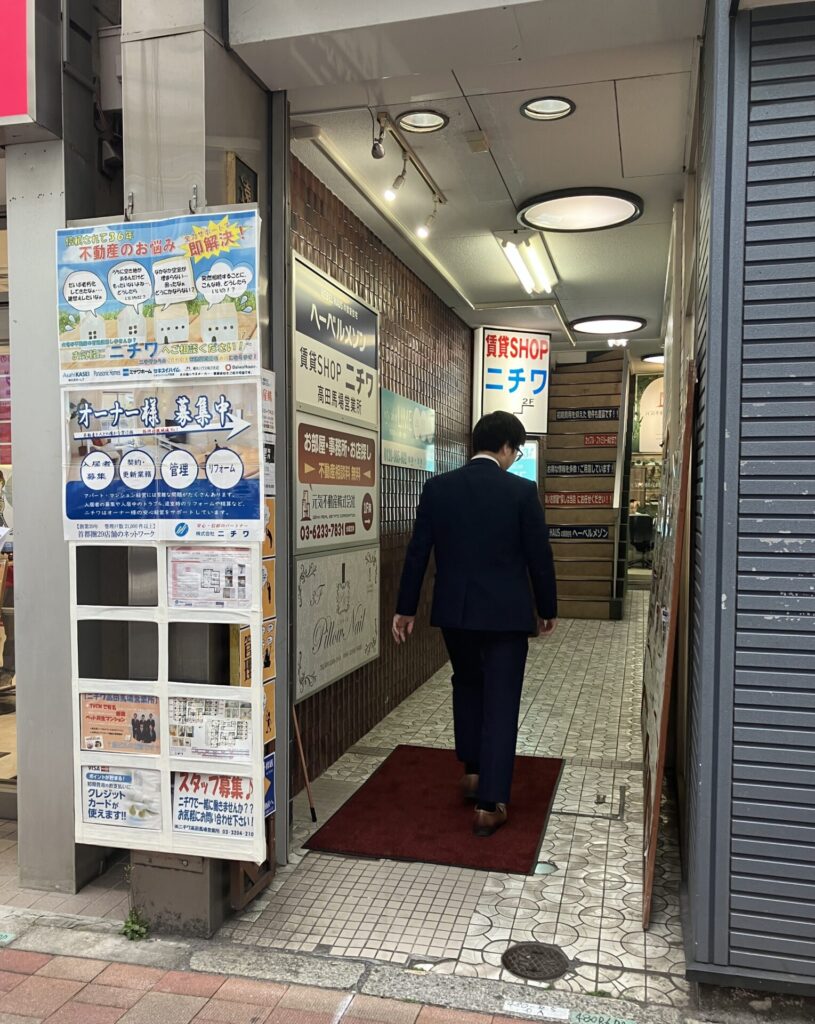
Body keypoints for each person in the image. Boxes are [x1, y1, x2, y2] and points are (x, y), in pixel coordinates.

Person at [393, 411, 558, 837]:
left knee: (467, 684)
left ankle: (472, 772)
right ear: (505, 447)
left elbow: (418, 551)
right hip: (506, 617)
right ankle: (490, 804)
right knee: (501, 701)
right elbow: (539, 556)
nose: (515, 458)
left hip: (457, 613)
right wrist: (547, 607)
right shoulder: (521, 492)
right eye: (516, 451)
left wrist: (405, 609)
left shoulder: (439, 488)